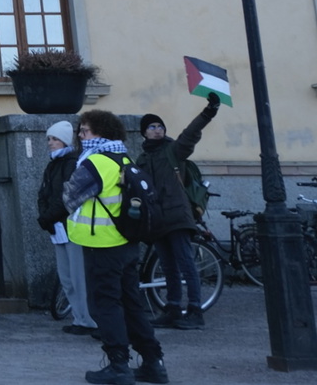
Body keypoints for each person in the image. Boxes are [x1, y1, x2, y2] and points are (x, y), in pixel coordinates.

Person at [68, 110, 167, 384]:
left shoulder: (95, 162)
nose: (80, 135)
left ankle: (118, 365)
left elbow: (70, 196)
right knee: (132, 304)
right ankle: (153, 362)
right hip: (127, 243)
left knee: (106, 305)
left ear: (100, 132)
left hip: (102, 243)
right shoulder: (125, 158)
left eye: (85, 131)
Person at [138, 96, 220, 329]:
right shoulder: (142, 158)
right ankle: (173, 309)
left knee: (186, 265)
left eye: (160, 126)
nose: (157, 130)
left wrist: (209, 111)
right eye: (152, 127)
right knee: (168, 267)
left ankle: (195, 311)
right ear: (144, 132)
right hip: (157, 220)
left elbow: (190, 133)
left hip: (177, 216)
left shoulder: (173, 151)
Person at [37, 120, 98, 336]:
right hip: (57, 226)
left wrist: (48, 217)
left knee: (78, 278)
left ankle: (88, 320)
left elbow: (68, 197)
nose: (50, 143)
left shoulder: (72, 163)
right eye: (49, 139)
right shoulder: (54, 163)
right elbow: (44, 193)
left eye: (54, 139)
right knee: (67, 278)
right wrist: (45, 216)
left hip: (70, 225)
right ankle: (80, 318)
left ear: (64, 140)